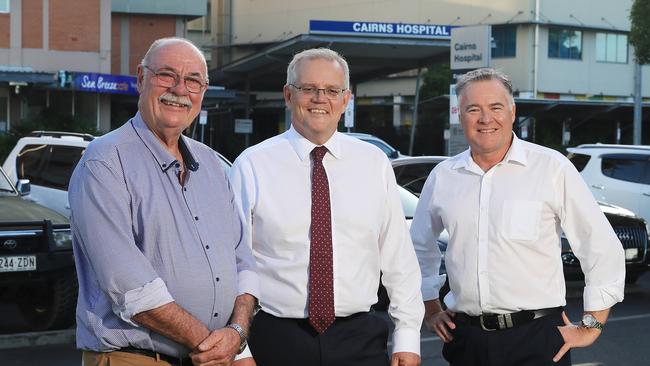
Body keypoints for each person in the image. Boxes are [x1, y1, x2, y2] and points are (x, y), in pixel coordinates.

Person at [410, 67, 625, 366]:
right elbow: (419, 246)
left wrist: (593, 324)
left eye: (496, 107)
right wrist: (431, 307)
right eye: (474, 109)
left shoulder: (551, 168)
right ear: (460, 116)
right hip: (466, 342)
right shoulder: (444, 177)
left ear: (512, 111)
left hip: (537, 339)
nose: (486, 119)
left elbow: (599, 245)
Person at [69, 37, 259, 366]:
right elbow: (130, 287)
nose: (180, 89)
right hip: (139, 357)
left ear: (203, 91)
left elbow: (243, 263)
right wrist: (215, 346)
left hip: (217, 355)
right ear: (141, 79)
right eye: (166, 75)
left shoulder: (212, 164)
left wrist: (238, 337)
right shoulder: (105, 162)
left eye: (193, 80)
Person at [228, 48, 424, 366]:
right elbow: (232, 264)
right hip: (275, 340)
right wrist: (241, 348)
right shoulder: (252, 165)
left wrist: (408, 337)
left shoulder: (373, 164)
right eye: (309, 89)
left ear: (345, 100)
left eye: (332, 90)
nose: (321, 98)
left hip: (361, 339)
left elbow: (398, 259)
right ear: (288, 94)